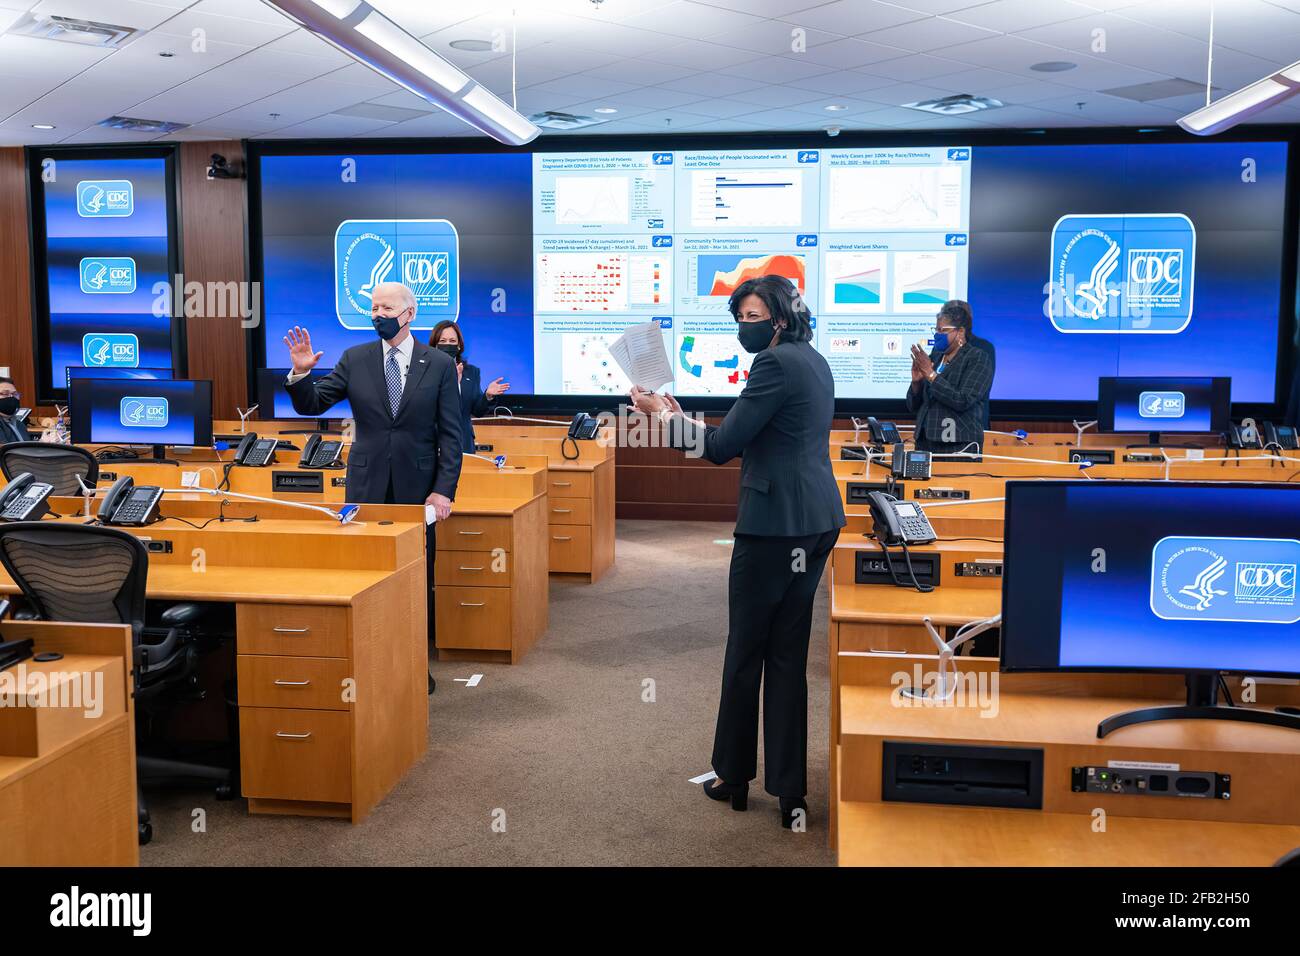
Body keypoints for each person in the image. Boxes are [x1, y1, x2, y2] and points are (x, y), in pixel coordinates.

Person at [629, 274, 845, 830]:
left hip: (774, 528)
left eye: (752, 318)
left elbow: (723, 447)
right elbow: (756, 432)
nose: (743, 328)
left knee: (747, 650)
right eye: (739, 318)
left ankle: (732, 775)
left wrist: (658, 417)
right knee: (788, 655)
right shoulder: (811, 358)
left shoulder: (771, 365)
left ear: (779, 316)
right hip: (816, 521)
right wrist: (677, 415)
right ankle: (790, 790)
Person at [283, 282, 462, 510]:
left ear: (410, 313)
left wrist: (443, 491)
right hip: (365, 484)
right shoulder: (354, 359)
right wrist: (301, 373)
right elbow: (312, 404)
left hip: (419, 485)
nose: (378, 315)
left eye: (387, 308)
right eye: (375, 308)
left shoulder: (440, 364)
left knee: (416, 546)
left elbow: (451, 435)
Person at [907, 299, 995, 454]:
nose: (937, 335)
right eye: (936, 330)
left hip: (957, 445)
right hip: (925, 443)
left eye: (942, 330)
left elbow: (963, 400)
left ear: (960, 332)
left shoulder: (978, 357)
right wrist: (917, 384)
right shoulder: (935, 356)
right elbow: (915, 406)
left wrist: (932, 375)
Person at [429, 320, 510, 455]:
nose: (447, 345)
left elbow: (477, 411)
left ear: (459, 345)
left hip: (463, 443)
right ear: (435, 345)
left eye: (452, 341)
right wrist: (450, 383)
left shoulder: (471, 372)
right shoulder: (425, 371)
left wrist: (488, 396)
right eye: (442, 341)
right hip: (432, 444)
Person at [0, 378, 27, 444]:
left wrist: (42, 443)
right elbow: (5, 451)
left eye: (15, 394)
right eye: (5, 393)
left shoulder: (20, 424)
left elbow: (26, 447)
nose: (11, 397)